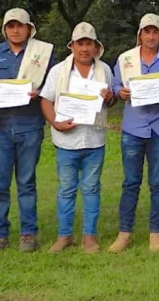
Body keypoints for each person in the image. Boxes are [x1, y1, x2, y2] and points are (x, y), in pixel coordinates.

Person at [0, 8, 56, 253]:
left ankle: (28, 233)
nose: (15, 30)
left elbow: (52, 84)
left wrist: (40, 92)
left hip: (30, 126)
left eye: (20, 25)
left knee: (26, 182)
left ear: (29, 28)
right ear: (4, 29)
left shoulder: (43, 54)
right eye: (11, 26)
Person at [40, 22, 115, 253]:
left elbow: (110, 102)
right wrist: (55, 123)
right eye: (80, 43)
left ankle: (89, 237)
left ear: (96, 47)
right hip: (66, 140)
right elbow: (46, 99)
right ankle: (64, 236)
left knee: (92, 188)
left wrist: (109, 97)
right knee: (66, 189)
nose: (84, 48)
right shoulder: (58, 71)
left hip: (94, 139)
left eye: (88, 43)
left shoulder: (104, 70)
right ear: (72, 46)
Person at [109, 13, 159, 253]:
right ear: (139, 34)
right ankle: (124, 233)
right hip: (133, 127)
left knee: (157, 182)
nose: (151, 36)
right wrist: (120, 92)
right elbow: (115, 84)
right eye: (146, 31)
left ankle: (155, 233)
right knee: (130, 182)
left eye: (155, 32)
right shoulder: (126, 58)